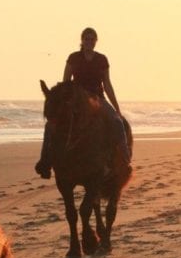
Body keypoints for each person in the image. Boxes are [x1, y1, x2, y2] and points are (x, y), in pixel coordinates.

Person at [35, 27, 131, 179]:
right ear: (82, 40)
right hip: (77, 99)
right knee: (50, 125)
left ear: (96, 42)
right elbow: (66, 82)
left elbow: (107, 84)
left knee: (117, 122)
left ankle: (124, 160)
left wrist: (116, 107)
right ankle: (45, 162)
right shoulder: (73, 58)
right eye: (87, 39)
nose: (89, 42)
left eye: (92, 39)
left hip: (97, 98)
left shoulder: (102, 59)